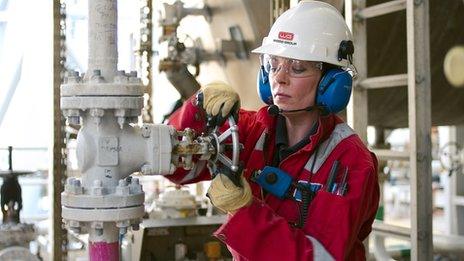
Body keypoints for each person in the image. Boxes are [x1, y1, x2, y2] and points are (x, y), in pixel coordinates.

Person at [167, 1, 379, 260]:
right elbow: (176, 165)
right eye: (273, 63)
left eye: (297, 67)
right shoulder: (250, 131)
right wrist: (197, 110)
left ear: (331, 81)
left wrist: (245, 212)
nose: (279, 77)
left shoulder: (350, 162)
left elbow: (320, 257)